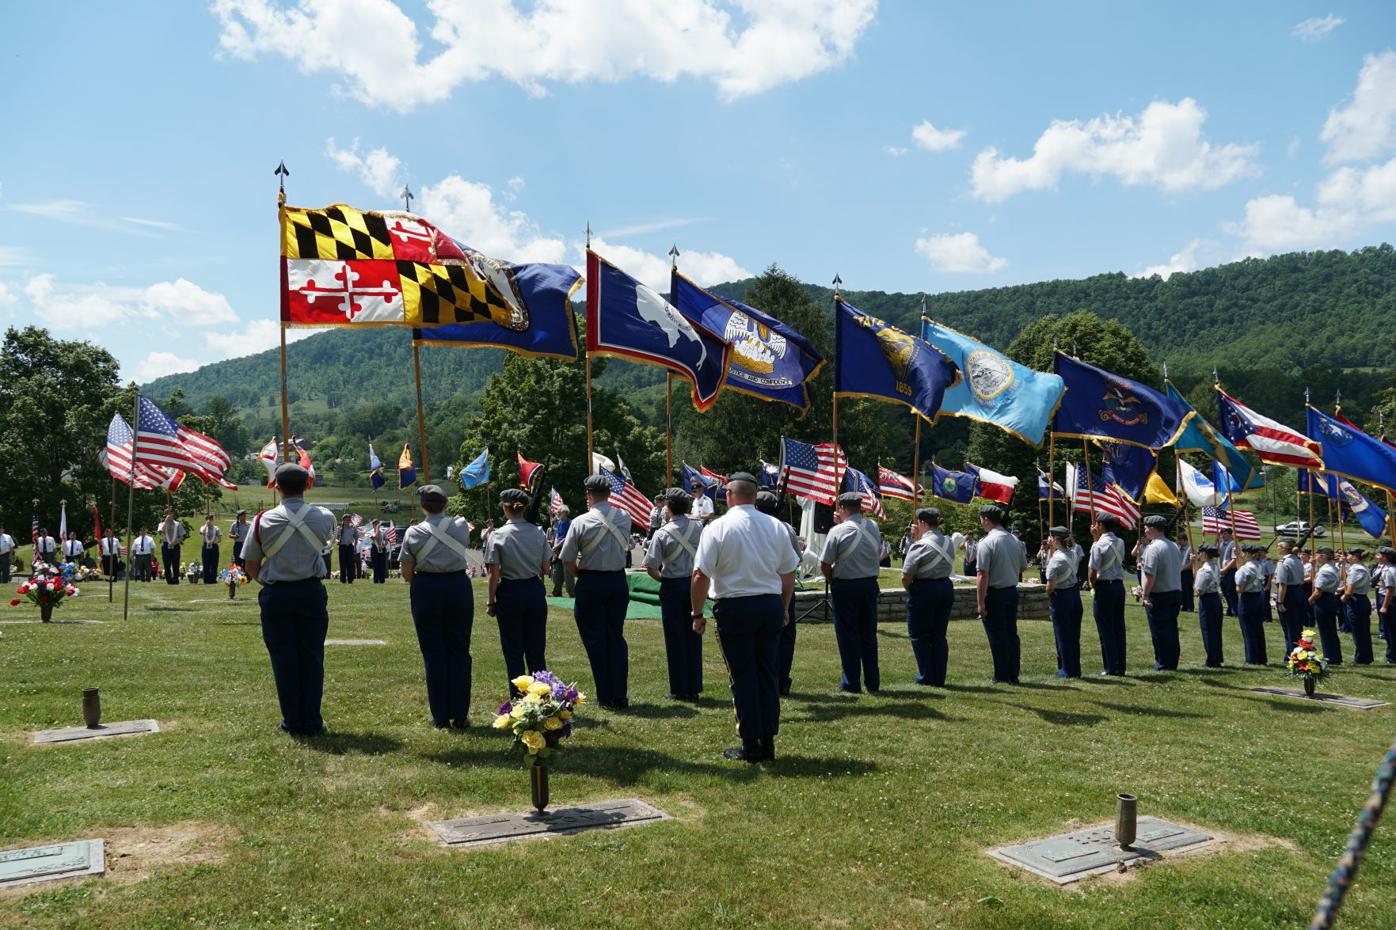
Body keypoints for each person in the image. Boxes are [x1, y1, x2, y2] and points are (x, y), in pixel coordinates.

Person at [691, 472, 799, 763]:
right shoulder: (776, 526)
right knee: (767, 673)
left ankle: (751, 743)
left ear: (729, 495)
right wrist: (784, 607)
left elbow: (700, 575)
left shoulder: (717, 527)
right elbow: (788, 573)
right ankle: (768, 740)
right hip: (769, 605)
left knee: (742, 676)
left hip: (736, 607)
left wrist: (697, 613)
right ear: (754, 495)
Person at [240, 462, 336, 737]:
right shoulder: (325, 517)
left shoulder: (263, 520)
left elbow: (251, 565)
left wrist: (271, 582)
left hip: (277, 593)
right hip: (310, 591)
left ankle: (292, 720)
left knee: (283, 659)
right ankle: (312, 719)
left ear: (277, 487)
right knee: (312, 656)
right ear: (307, 485)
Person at [399, 485, 475, 728]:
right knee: (460, 650)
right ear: (445, 504)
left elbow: (407, 573)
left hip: (427, 587)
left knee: (433, 651)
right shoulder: (460, 525)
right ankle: (460, 713)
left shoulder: (413, 532)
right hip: (457, 586)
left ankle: (440, 715)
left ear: (423, 506)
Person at [560, 475, 633, 709]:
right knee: (615, 637)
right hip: (617, 581)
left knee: (595, 639)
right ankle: (619, 693)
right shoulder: (624, 517)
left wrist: (581, 574)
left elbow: (567, 559)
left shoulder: (580, 522)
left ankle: (605, 695)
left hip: (591, 581)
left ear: (588, 495)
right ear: (609, 494)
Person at [485, 488, 551, 698]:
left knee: (513, 650)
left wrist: (490, 602)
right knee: (536, 649)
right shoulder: (538, 532)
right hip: (533, 589)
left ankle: (519, 698)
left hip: (510, 591)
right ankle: (541, 697)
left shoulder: (497, 535)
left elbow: (494, 574)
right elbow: (546, 567)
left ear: (505, 508)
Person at [643, 489, 705, 701]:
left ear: (668, 507)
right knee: (694, 634)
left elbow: (650, 566)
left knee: (674, 637)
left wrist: (664, 579)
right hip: (694, 583)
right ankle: (694, 687)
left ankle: (679, 688)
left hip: (672, 585)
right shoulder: (699, 527)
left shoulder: (662, 533)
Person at [820, 492, 884, 693]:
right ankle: (872, 682)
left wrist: (832, 580)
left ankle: (851, 683)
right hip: (869, 584)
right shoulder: (873, 526)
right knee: (868, 634)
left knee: (848, 636)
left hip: (846, 586)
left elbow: (825, 564)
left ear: (842, 508)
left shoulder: (837, 531)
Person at [755, 490, 803, 695]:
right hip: (783, 587)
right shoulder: (785, 529)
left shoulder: (750, 527)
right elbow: (796, 560)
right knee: (785, 637)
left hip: (761, 587)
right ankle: (782, 679)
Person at [901, 507, 956, 686]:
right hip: (945, 587)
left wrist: (911, 589)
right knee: (939, 635)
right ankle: (939, 677)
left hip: (924, 589)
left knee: (919, 634)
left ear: (923, 523)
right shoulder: (949, 541)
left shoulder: (920, 545)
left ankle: (925, 676)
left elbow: (906, 576)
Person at [975, 505, 1028, 684]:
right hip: (1011, 591)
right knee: (1011, 634)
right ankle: (1013, 673)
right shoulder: (1015, 540)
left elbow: (982, 574)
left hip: (995, 593)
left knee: (997, 636)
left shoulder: (987, 542)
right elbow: (1023, 566)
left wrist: (980, 603)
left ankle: (1002, 675)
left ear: (986, 519)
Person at [1138, 514, 1183, 671]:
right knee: (1171, 628)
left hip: (1160, 594)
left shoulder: (1153, 548)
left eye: (1146, 527)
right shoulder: (1173, 546)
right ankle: (1172, 661)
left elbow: (1150, 575)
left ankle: (1163, 663)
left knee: (1159, 631)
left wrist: (1145, 595)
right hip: (1175, 592)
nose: (1145, 530)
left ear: (1152, 528)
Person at [1088, 513, 1128, 676]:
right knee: (1118, 627)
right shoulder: (1121, 542)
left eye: (1097, 524)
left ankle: (1110, 667)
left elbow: (1093, 571)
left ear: (1101, 526)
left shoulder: (1098, 546)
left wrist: (1093, 585)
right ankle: (1120, 665)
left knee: (1105, 628)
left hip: (1104, 587)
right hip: (1118, 586)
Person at [1042, 526, 1082, 679]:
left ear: (1055, 539)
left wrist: (1047, 595)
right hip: (1074, 595)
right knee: (1073, 635)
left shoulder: (1055, 560)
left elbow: (1050, 585)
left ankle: (1066, 670)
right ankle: (1075, 669)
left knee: (1062, 635)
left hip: (1061, 597)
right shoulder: (1073, 554)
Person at [1308, 547, 1344, 666]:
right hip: (1330, 598)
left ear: (1323, 556)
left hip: (1323, 600)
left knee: (1326, 631)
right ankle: (1335, 656)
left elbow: (1318, 591)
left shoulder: (1325, 570)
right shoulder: (1333, 568)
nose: (1316, 557)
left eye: (1317, 555)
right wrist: (1313, 566)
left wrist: (1310, 599)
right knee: (1331, 629)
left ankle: (1330, 657)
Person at [1235, 545, 1268, 664]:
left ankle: (1251, 658)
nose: (1243, 555)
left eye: (1244, 553)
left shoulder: (1245, 569)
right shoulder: (1260, 566)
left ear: (1249, 554)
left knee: (1248, 629)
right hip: (1258, 597)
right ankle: (1261, 657)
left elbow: (1239, 588)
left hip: (1247, 598)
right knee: (1258, 628)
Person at [1340, 548, 1374, 665]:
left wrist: (1344, 597)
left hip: (1356, 600)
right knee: (1362, 630)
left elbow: (1350, 590)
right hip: (1361, 600)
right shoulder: (1359, 567)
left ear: (1354, 557)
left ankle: (1361, 658)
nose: (1347, 556)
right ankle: (1364, 656)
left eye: (1348, 555)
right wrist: (1343, 564)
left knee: (1359, 632)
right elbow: (1344, 578)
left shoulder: (1357, 570)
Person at [1274, 539, 1307, 655]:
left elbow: (1282, 584)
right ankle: (1298, 652)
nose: (1278, 548)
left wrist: (1280, 602)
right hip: (1299, 591)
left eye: (1279, 546)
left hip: (1289, 594)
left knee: (1289, 627)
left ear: (1284, 549)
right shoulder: (1297, 561)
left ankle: (1292, 655)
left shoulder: (1283, 562)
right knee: (1297, 626)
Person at [1194, 545, 1224, 667]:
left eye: (1200, 553)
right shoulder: (1216, 566)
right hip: (1215, 598)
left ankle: (1211, 660)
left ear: (1205, 554)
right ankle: (1217, 657)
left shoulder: (1204, 570)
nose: (1199, 555)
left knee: (1208, 630)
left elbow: (1199, 590)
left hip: (1207, 600)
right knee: (1216, 630)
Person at [1376, 547, 1396, 664]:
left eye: (1380, 555)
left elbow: (1390, 589)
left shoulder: (1389, 570)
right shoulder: (1391, 568)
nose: (1378, 557)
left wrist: (1384, 606)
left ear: (1386, 557)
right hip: (1390, 599)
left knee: (1390, 630)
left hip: (1389, 600)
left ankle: (1392, 657)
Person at [549, 509, 575, 597]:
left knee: (568, 573)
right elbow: (557, 535)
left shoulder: (571, 523)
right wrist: (555, 546)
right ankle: (557, 591)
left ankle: (571, 592)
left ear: (565, 513)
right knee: (556, 571)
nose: (557, 513)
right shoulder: (559, 523)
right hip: (558, 550)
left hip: (567, 549)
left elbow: (567, 537)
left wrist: (557, 546)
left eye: (559, 512)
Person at [158, 509, 186, 585]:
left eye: (170, 513)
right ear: (165, 515)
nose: (169, 515)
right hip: (166, 545)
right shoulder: (161, 524)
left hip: (175, 545)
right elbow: (161, 532)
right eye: (167, 514)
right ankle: (169, 580)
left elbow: (182, 536)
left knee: (176, 563)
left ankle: (176, 579)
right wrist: (166, 521)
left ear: (173, 514)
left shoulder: (178, 524)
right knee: (166, 564)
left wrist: (175, 542)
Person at [1218, 528, 1238, 616]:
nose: (1223, 535)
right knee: (1224, 591)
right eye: (1222, 533)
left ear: (1230, 535)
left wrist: (1225, 569)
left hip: (1230, 571)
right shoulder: (1221, 544)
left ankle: (1234, 610)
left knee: (1231, 591)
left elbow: (1234, 559)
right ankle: (1230, 608)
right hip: (1222, 571)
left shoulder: (1233, 544)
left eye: (1225, 533)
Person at [198, 515, 222, 584]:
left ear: (212, 520)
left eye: (210, 520)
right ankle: (206, 579)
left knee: (214, 563)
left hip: (214, 546)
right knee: (206, 563)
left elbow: (220, 539)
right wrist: (206, 525)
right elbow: (201, 532)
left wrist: (213, 542)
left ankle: (213, 579)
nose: (209, 521)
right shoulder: (203, 527)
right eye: (208, 520)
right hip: (205, 546)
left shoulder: (216, 528)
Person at [336, 515, 359, 584]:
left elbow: (356, 537)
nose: (347, 521)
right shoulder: (340, 528)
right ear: (343, 520)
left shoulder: (353, 528)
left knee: (350, 564)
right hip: (342, 547)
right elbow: (336, 537)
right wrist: (337, 541)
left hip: (350, 547)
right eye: (346, 520)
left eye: (348, 520)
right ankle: (343, 580)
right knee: (343, 564)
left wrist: (355, 546)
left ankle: (350, 579)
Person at [1177, 535, 1195, 613]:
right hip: (1179, 572)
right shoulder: (1178, 549)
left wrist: (1182, 569)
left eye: (1181, 540)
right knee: (1181, 590)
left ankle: (1190, 606)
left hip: (1187, 572)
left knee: (1188, 590)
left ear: (1185, 540)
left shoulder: (1191, 549)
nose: (1179, 542)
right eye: (1178, 540)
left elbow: (1192, 563)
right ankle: (1183, 605)